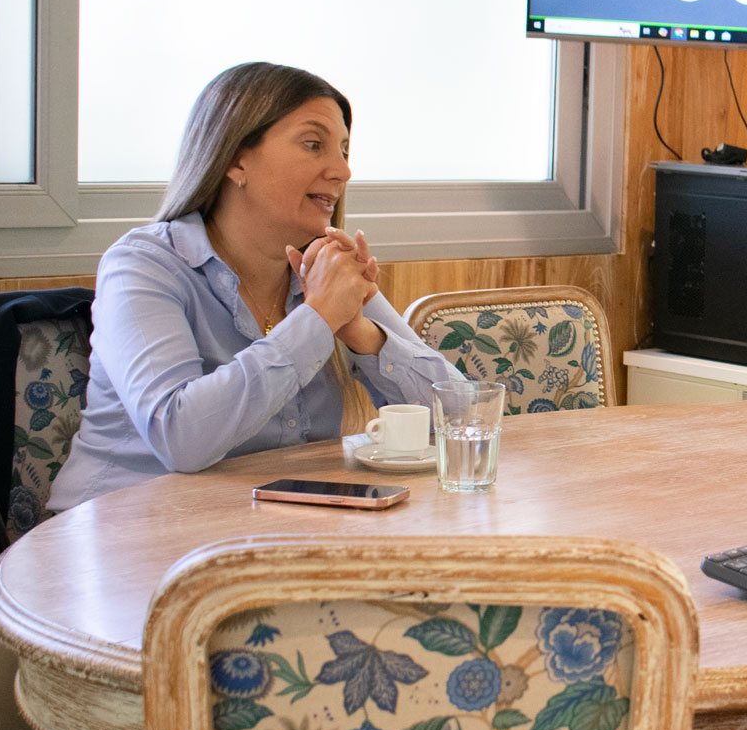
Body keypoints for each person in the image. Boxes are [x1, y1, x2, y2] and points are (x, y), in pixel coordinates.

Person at [49, 62, 461, 509]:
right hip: (118, 538)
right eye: (313, 144)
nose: (342, 171)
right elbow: (180, 437)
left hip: (261, 533)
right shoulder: (142, 266)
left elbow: (463, 419)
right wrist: (318, 318)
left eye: (344, 150)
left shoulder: (327, 270)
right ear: (234, 159)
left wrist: (359, 332)